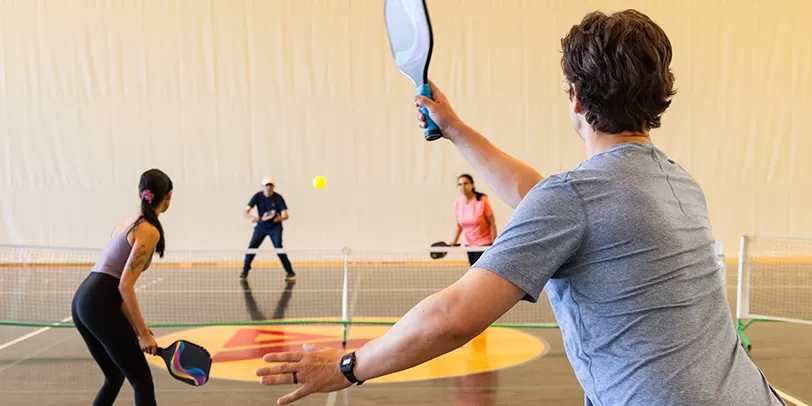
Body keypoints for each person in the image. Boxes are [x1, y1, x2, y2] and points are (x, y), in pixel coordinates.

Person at [254, 10, 785, 406]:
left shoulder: (575, 199)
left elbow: (451, 318)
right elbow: (544, 198)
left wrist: (348, 366)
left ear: (575, 98)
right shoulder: (678, 183)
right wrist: (457, 129)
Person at [71, 169, 173, 406]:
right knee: (142, 383)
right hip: (99, 303)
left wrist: (138, 328)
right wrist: (144, 334)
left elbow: (114, 286)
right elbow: (124, 285)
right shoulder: (148, 230)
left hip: (83, 301)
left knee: (115, 376)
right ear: (167, 197)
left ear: (141, 194)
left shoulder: (125, 223)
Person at [242, 176, 296, 281]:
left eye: (270, 185)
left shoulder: (278, 198)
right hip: (261, 227)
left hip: (275, 228)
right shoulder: (257, 196)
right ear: (263, 186)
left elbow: (286, 215)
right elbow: (246, 212)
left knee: (279, 248)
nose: (268, 187)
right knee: (252, 248)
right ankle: (244, 271)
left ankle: (290, 272)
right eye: (266, 185)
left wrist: (280, 218)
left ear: (273, 187)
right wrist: (254, 218)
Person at [451, 173, 497, 265]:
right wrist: (454, 241)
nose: (463, 186)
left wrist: (494, 243)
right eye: (460, 184)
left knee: (481, 271)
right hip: (469, 245)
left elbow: (492, 223)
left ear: (472, 185)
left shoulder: (482, 200)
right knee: (473, 268)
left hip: (484, 245)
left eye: (466, 183)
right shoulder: (458, 202)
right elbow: (459, 225)